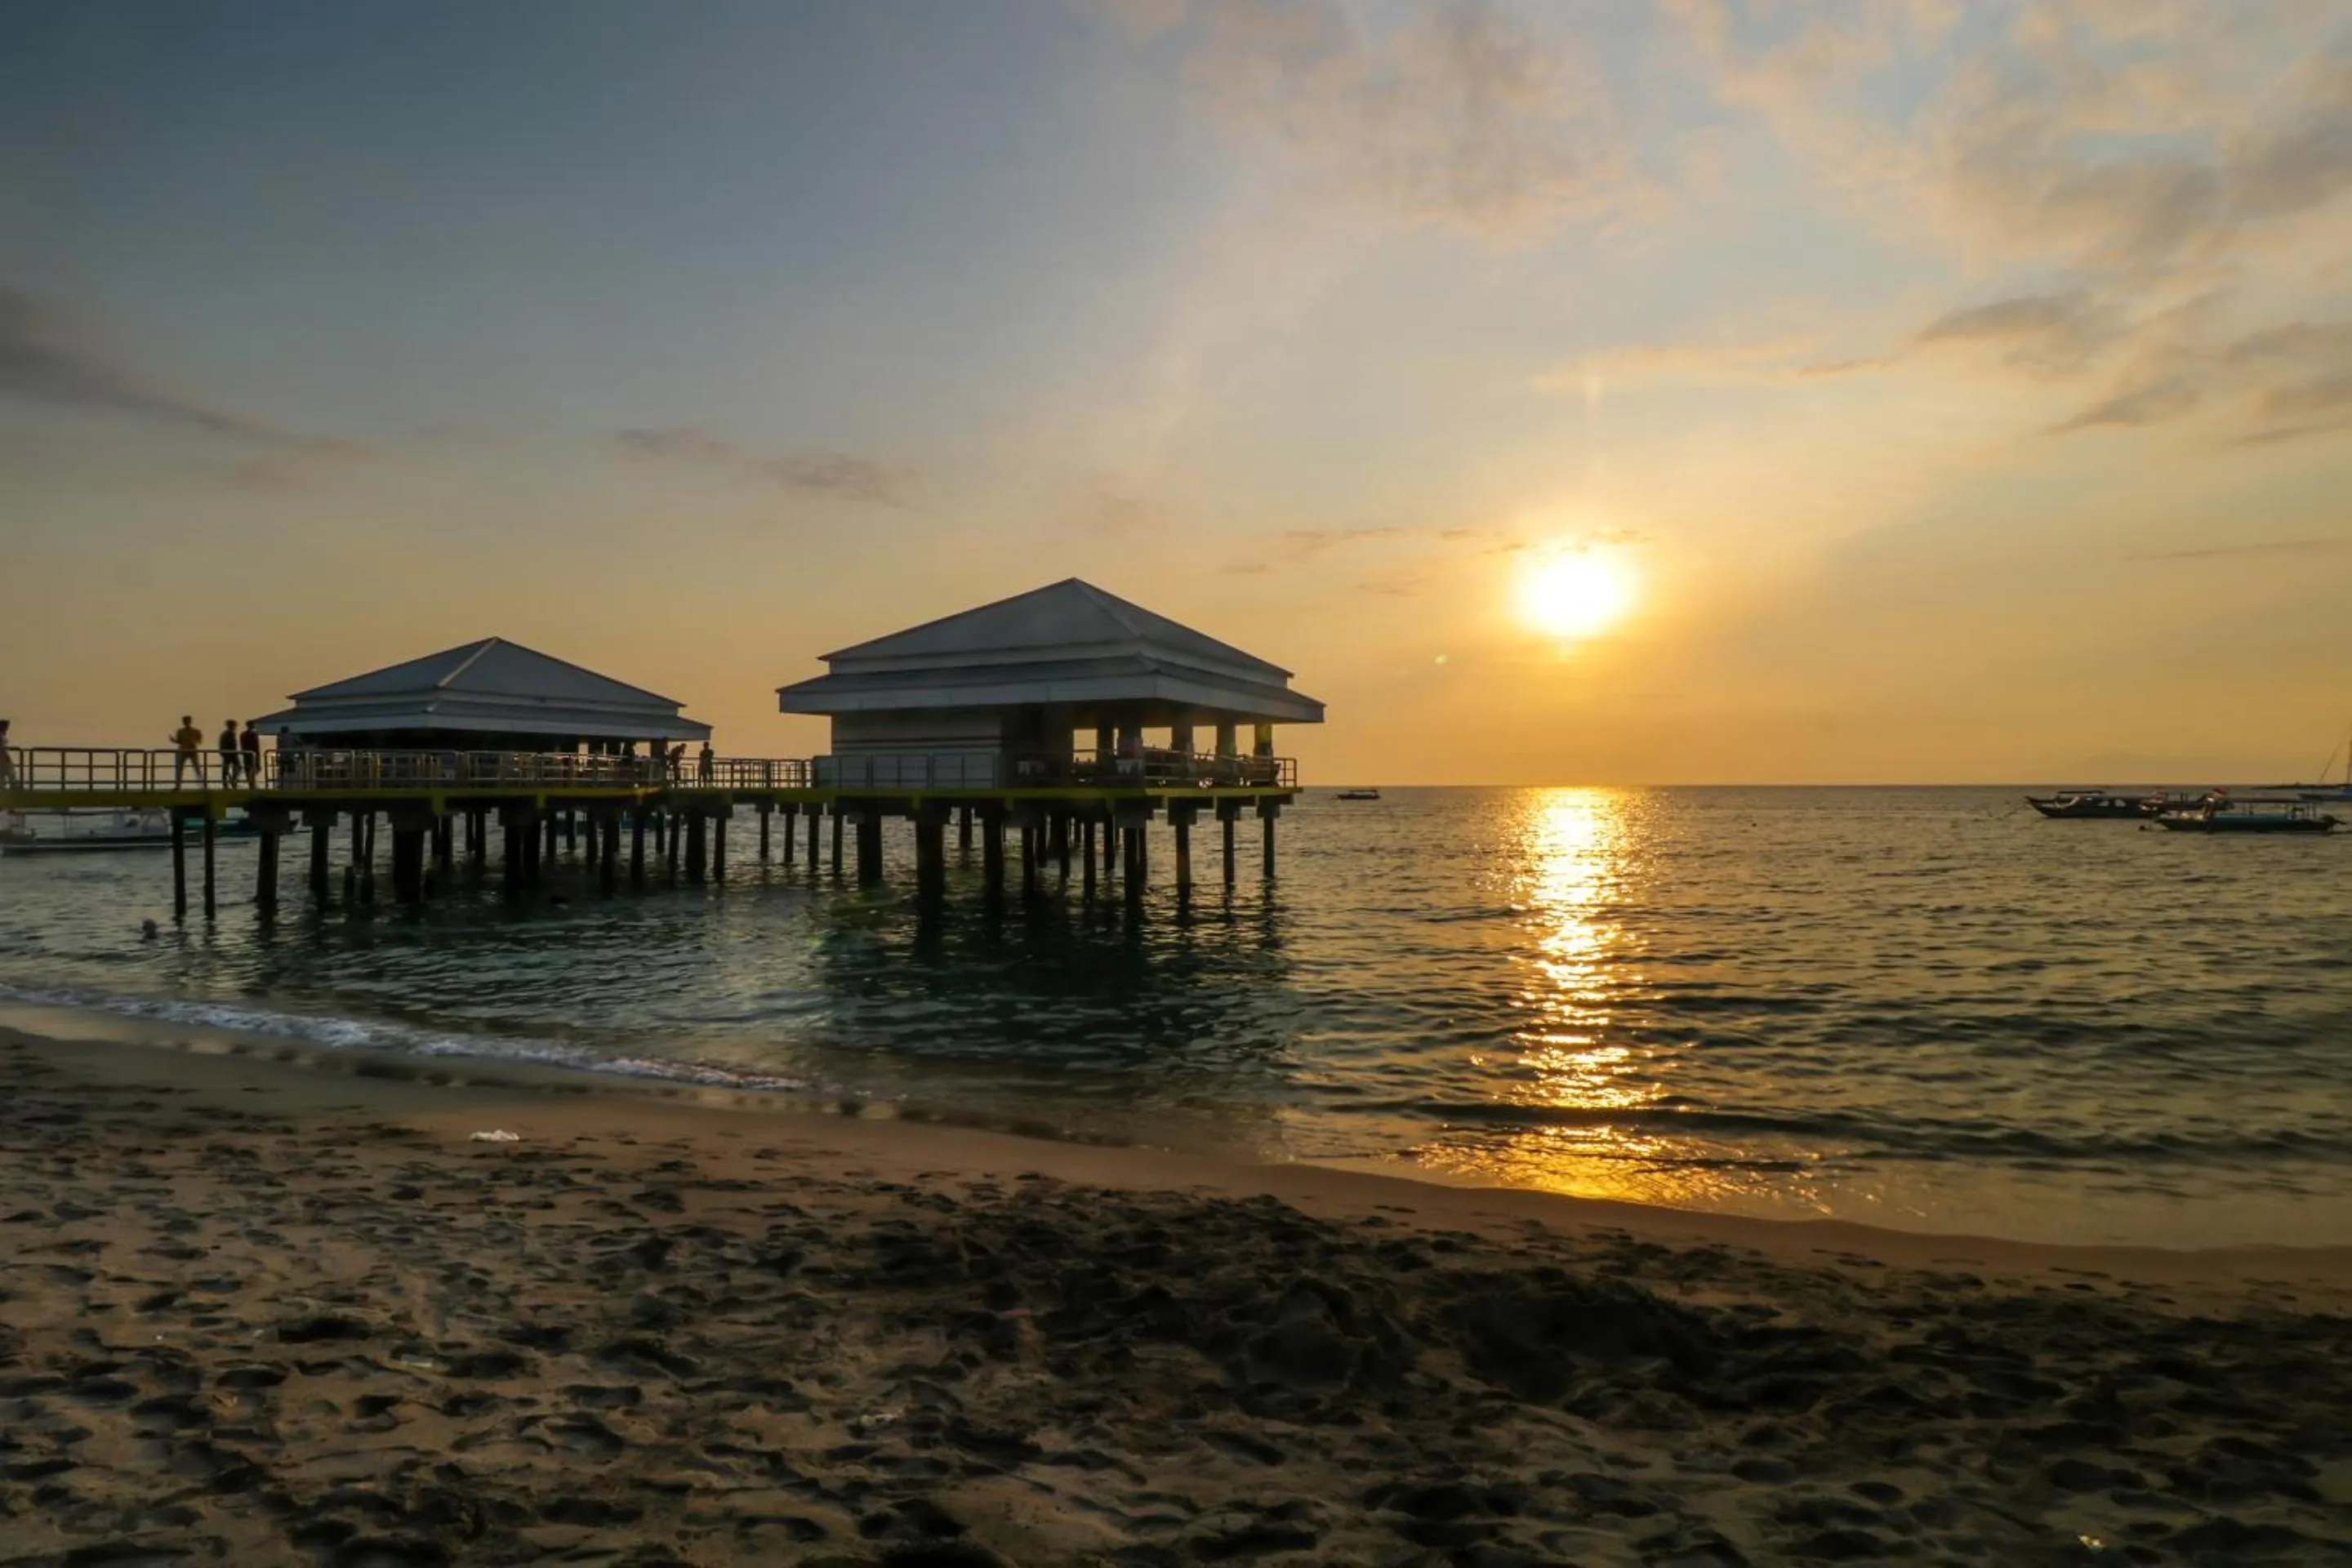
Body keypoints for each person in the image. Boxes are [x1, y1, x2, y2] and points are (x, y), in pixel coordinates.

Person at [171, 715, 203, 786]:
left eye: (187, 721)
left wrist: (193, 741)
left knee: (197, 768)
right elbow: (179, 741)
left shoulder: (196, 731)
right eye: (184, 721)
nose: (185, 722)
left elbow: (199, 741)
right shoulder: (180, 731)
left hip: (192, 751)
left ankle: (202, 784)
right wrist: (173, 740)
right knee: (179, 768)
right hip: (183, 751)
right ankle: (178, 785)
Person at [239, 721, 264, 788]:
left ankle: (251, 784)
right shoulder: (254, 735)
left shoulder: (243, 734)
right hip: (252, 755)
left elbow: (242, 745)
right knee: (254, 769)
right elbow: (256, 747)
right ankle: (252, 785)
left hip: (247, 755)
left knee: (249, 770)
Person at [217, 719, 241, 786]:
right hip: (230, 753)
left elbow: (221, 744)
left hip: (228, 753)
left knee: (228, 768)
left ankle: (230, 781)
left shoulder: (227, 734)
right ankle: (232, 780)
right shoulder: (228, 734)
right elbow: (231, 744)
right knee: (234, 767)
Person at [0, 718, 15, 791]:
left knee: (3, 775)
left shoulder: (2, 735)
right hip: (3, 759)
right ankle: (12, 788)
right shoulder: (1, 736)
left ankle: (5, 789)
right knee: (11, 773)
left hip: (3, 758)